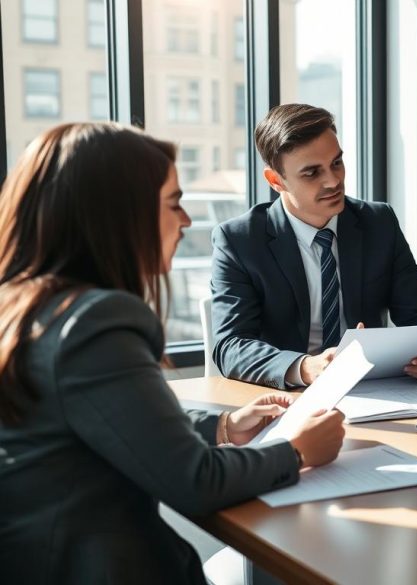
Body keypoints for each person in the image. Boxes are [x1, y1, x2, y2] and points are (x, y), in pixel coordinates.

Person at [0, 123, 346, 583]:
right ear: (118, 215)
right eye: (172, 202)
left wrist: (221, 426)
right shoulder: (93, 323)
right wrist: (297, 450)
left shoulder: (25, 307)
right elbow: (196, 482)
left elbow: (96, 421)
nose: (185, 220)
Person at [212, 104, 417, 389]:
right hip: (290, 398)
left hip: (373, 389)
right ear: (276, 181)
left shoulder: (378, 222)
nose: (334, 180)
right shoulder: (239, 240)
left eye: (336, 163)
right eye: (312, 173)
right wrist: (305, 367)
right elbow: (230, 346)